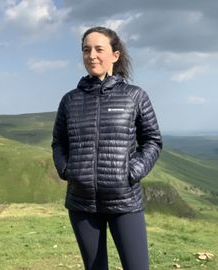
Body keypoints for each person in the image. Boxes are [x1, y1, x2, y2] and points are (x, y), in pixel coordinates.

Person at [51, 26, 162, 270]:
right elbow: (59, 142)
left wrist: (131, 172)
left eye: (99, 49)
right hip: (82, 202)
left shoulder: (135, 96)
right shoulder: (70, 100)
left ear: (115, 55)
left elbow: (152, 140)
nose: (92, 55)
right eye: (86, 50)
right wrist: (67, 170)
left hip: (124, 199)